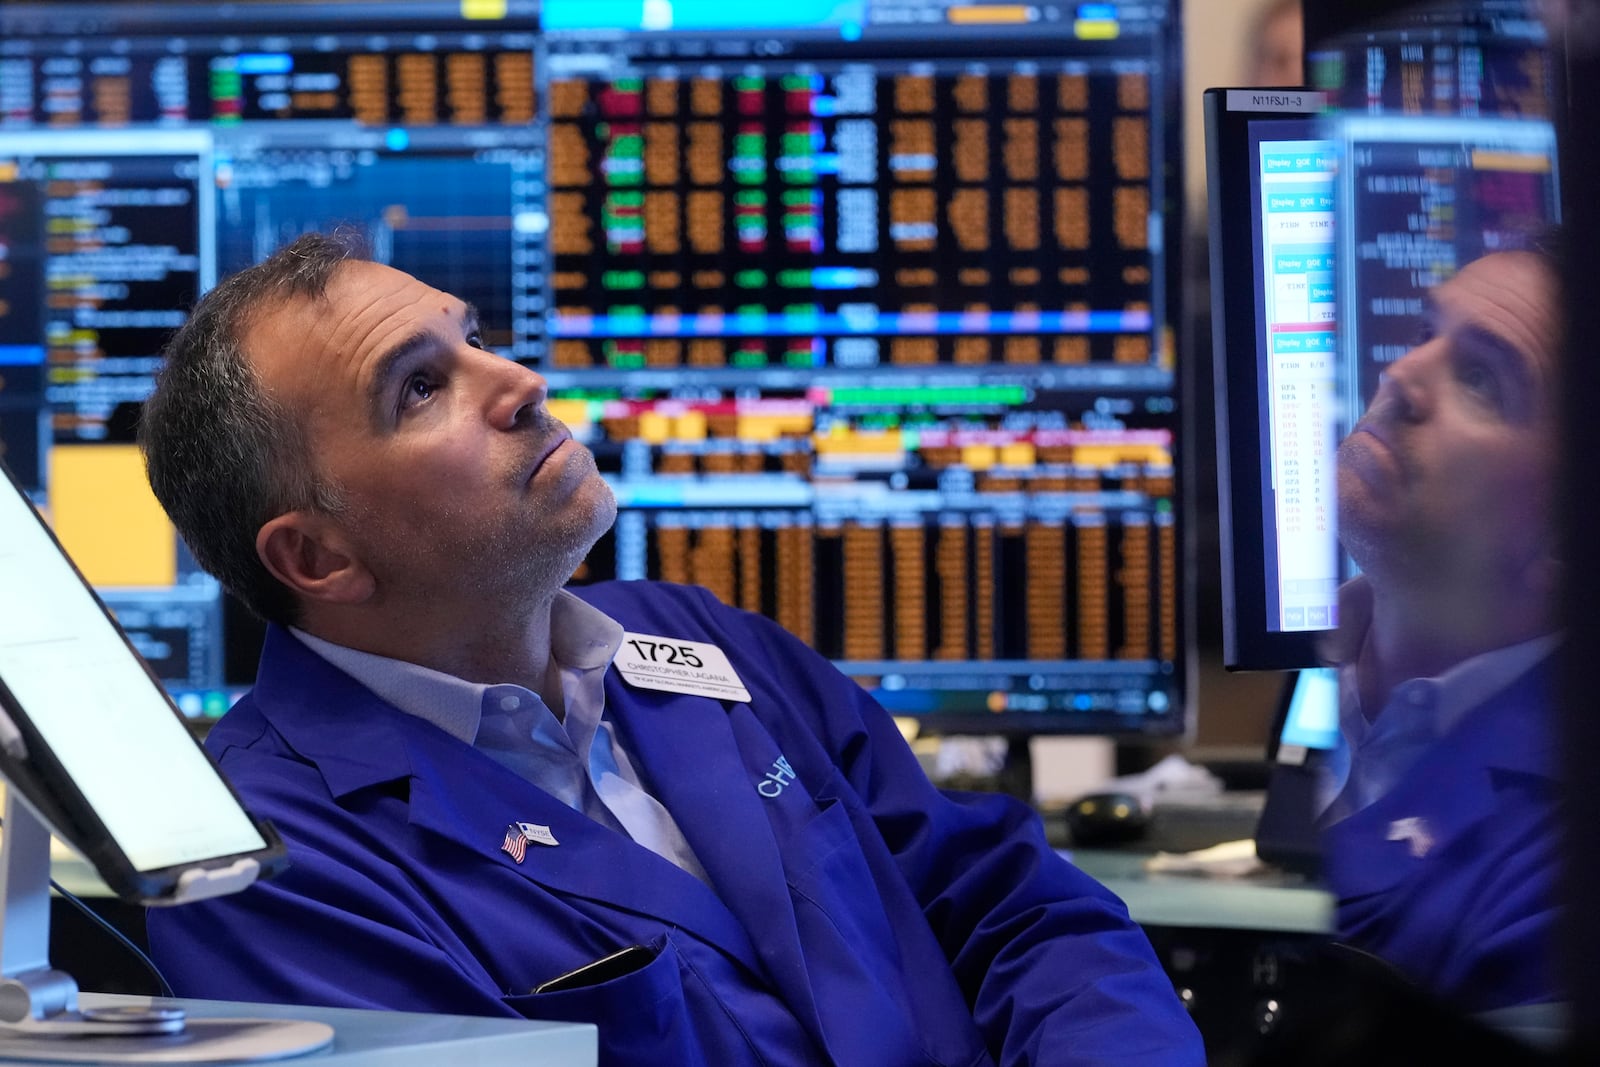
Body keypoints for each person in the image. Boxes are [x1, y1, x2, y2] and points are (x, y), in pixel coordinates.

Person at [138, 232, 1204, 1065]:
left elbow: (1012, 906)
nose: (514, 382)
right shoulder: (270, 868)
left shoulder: (697, 638)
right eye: (421, 386)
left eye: (475, 338)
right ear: (319, 555)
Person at [1321, 248, 1565, 1012]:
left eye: (1482, 379)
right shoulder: (1318, 669)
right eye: (1428, 332)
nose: (1401, 376)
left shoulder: (1556, 881)